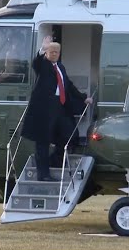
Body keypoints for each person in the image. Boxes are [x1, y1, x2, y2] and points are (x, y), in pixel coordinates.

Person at [21, 36, 93, 181]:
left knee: (70, 134)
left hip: (60, 107)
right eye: (51, 52)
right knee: (43, 141)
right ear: (47, 52)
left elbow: (69, 85)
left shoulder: (60, 67)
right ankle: (43, 174)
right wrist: (42, 48)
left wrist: (83, 97)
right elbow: (36, 63)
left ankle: (54, 160)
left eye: (56, 52)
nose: (54, 54)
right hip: (44, 109)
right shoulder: (44, 65)